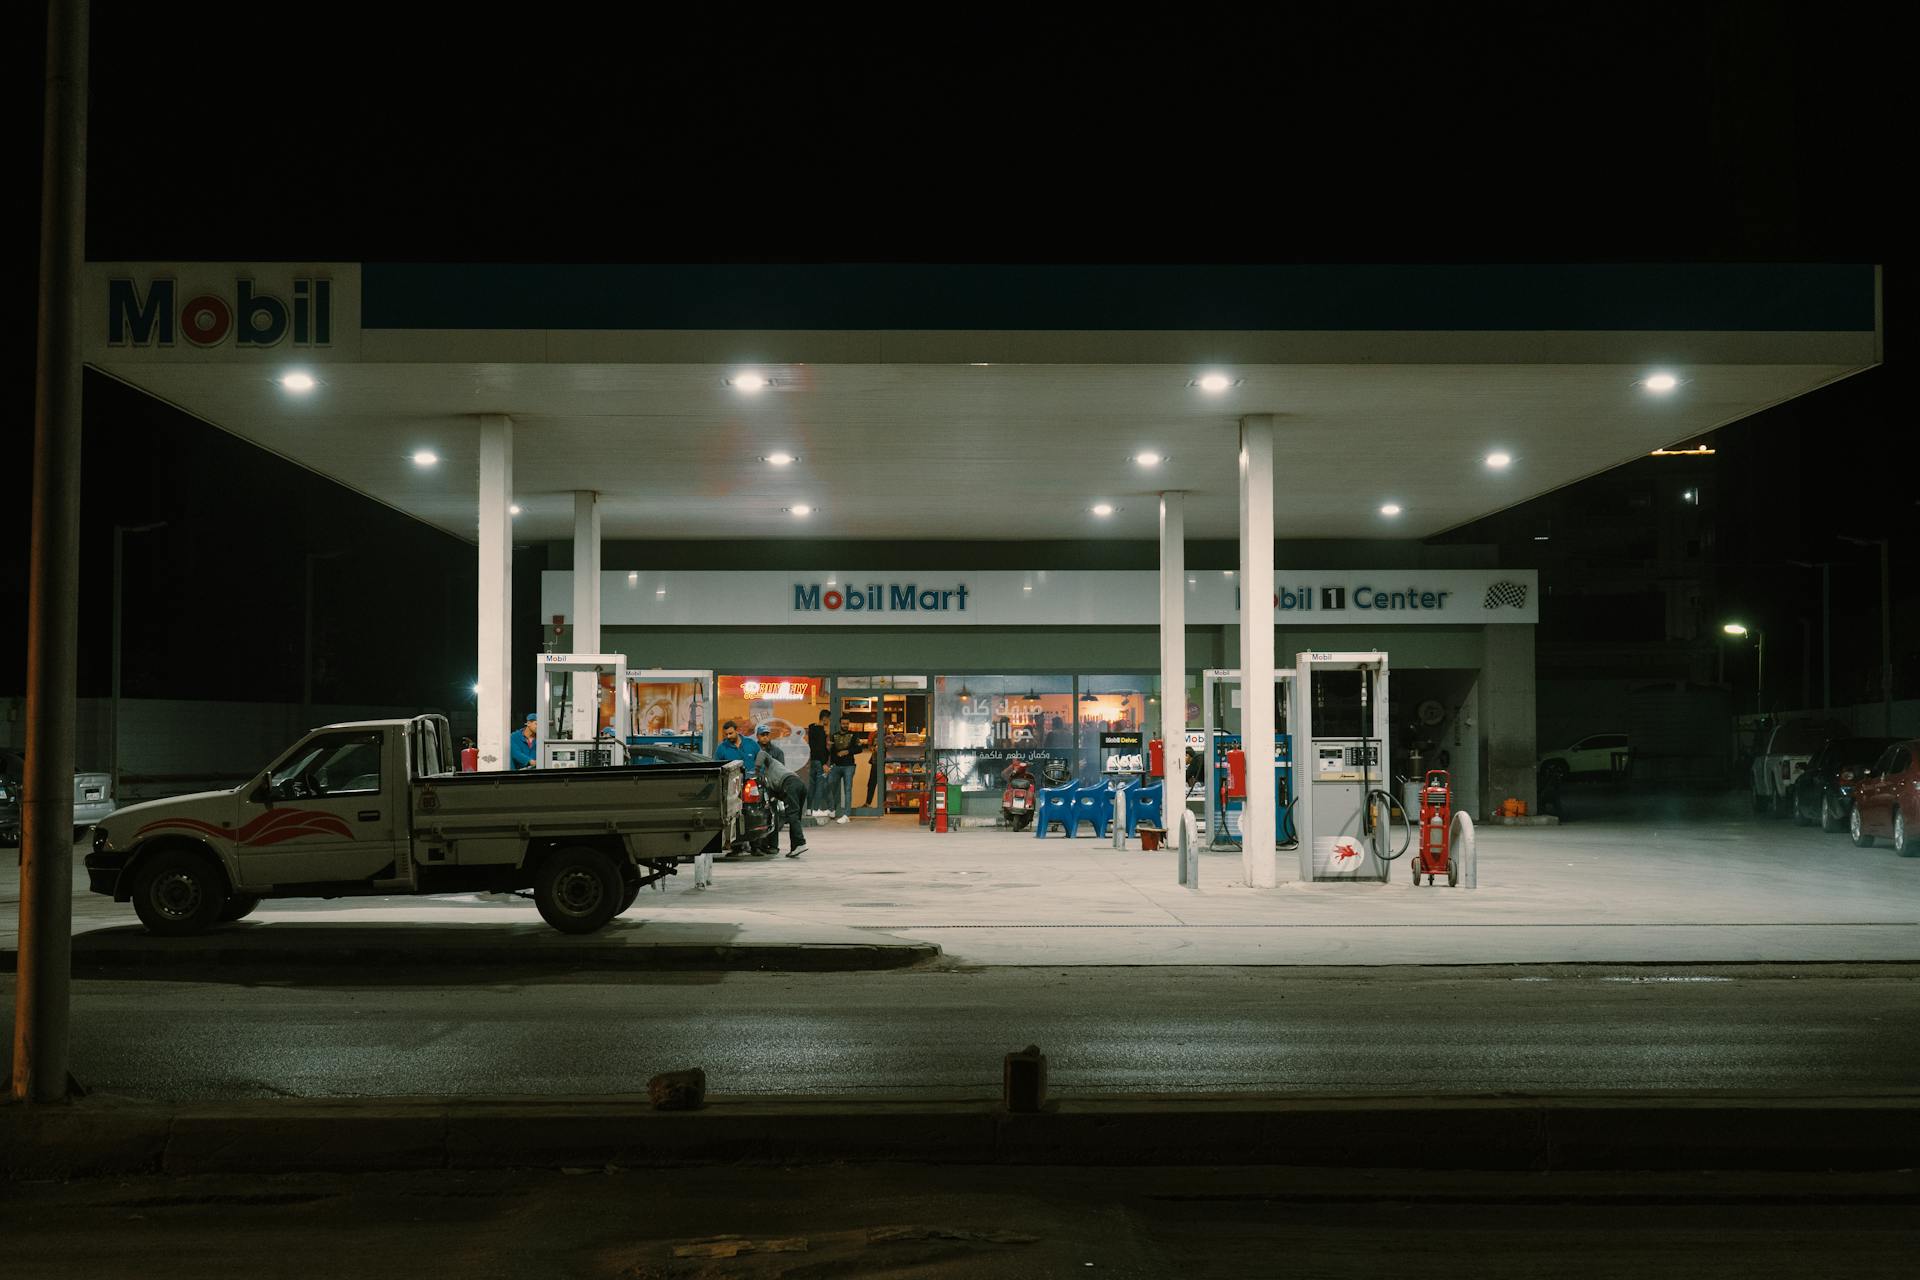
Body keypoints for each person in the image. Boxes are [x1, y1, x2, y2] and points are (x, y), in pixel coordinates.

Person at [754, 729, 810, 858]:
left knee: (792, 816)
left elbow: (762, 754)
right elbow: (774, 794)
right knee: (794, 817)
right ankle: (795, 847)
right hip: (799, 784)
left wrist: (756, 771)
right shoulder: (770, 779)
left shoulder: (770, 761)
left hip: (790, 784)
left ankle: (801, 843)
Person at [826, 716, 863, 822]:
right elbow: (831, 752)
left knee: (847, 790)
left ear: (849, 723)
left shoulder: (854, 735)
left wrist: (847, 751)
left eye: (847, 723)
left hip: (849, 766)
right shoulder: (834, 736)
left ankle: (846, 815)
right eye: (843, 723)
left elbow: (859, 749)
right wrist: (829, 750)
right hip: (836, 766)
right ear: (840, 724)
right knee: (830, 785)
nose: (845, 725)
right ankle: (832, 810)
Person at [805, 709, 831, 817]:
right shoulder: (820, 731)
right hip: (820, 761)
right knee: (819, 785)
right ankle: (816, 809)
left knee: (812, 785)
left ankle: (809, 809)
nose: (829, 722)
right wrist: (824, 763)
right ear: (824, 718)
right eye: (828, 719)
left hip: (813, 760)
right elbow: (820, 748)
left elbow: (814, 747)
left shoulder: (812, 729)